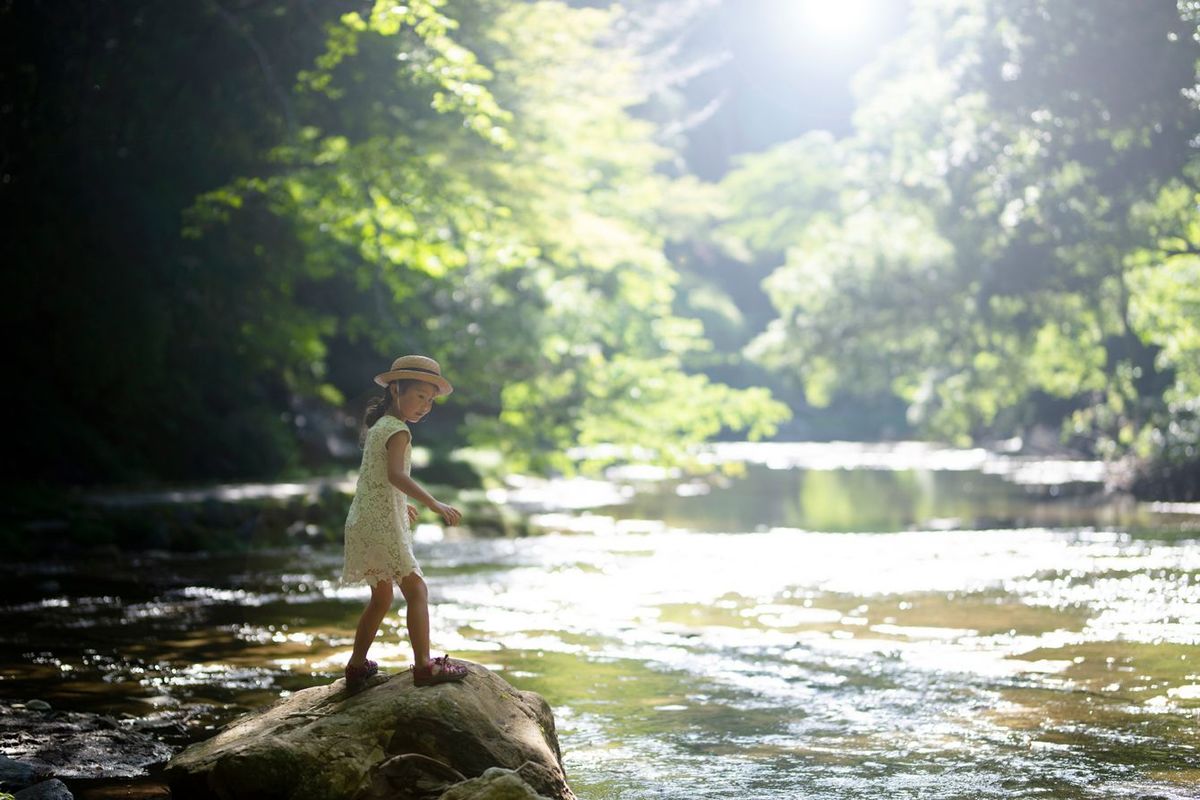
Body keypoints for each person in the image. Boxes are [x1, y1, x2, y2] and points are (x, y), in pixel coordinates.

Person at [341, 354, 468, 688]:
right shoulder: (398, 431)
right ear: (396, 389)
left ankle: (356, 666)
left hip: (364, 520)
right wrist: (433, 503)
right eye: (420, 396)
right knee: (417, 590)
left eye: (430, 400)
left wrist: (400, 506)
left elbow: (375, 479)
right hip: (380, 524)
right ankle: (424, 666)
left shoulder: (380, 426)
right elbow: (396, 476)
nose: (425, 406)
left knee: (381, 598)